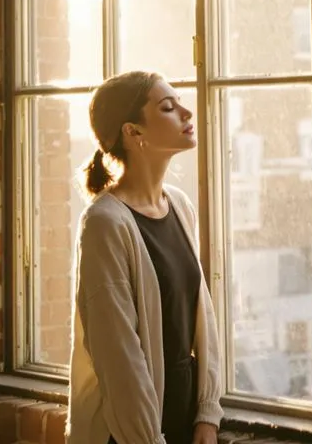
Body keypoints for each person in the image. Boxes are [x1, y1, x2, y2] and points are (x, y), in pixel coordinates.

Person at [67, 71, 222, 444]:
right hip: (128, 433)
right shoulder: (105, 223)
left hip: (183, 418)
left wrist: (207, 413)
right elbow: (118, 356)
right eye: (168, 107)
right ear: (133, 132)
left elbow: (202, 314)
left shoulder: (179, 205)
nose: (186, 113)